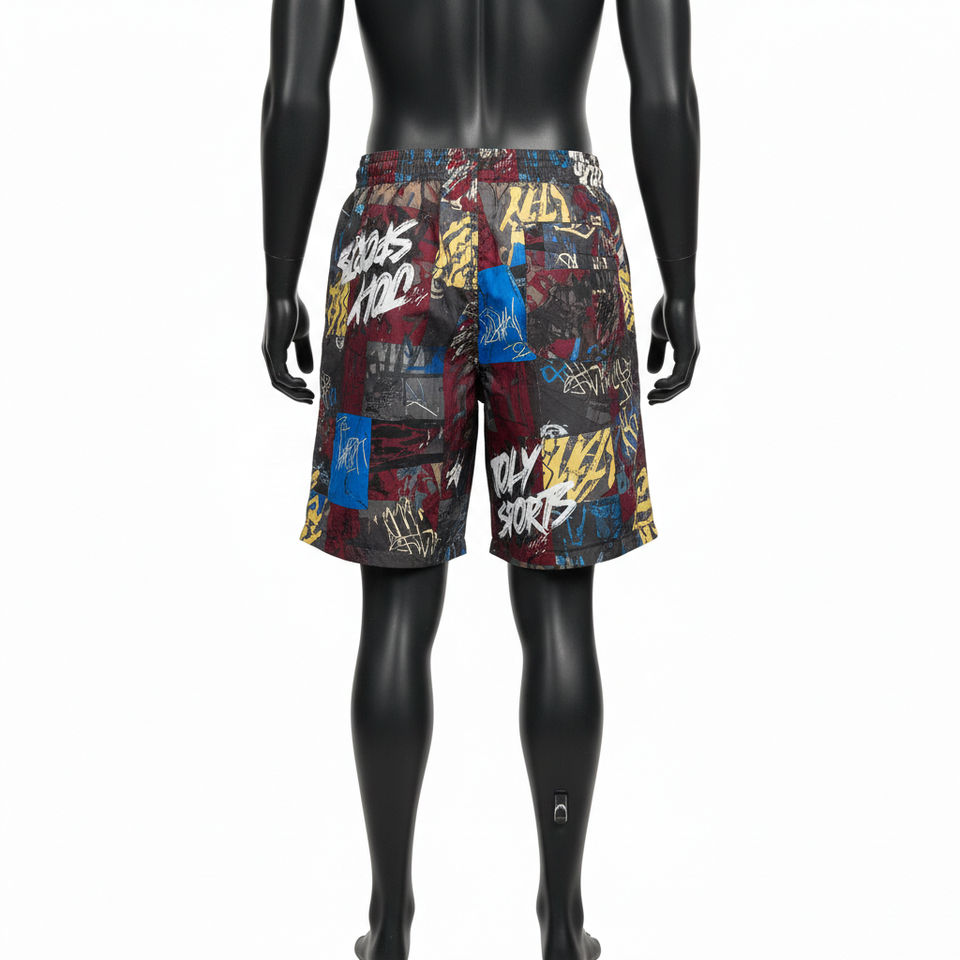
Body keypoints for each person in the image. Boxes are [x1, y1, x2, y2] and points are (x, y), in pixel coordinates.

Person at [260, 1, 699, 957]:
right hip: (557, 234)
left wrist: (277, 279)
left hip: (398, 229)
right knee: (561, 612)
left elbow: (294, 92)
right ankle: (563, 926)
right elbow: (665, 93)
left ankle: (387, 927)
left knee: (393, 611)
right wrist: (684, 281)